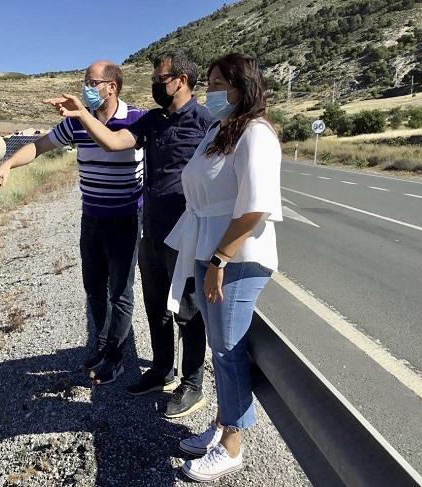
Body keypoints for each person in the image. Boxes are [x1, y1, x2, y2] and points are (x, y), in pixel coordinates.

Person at [45, 50, 214, 418]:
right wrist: (81, 115)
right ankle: (161, 369)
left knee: (188, 311)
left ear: (180, 81)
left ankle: (192, 383)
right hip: (152, 232)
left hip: (186, 235)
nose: (155, 84)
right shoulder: (152, 121)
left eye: (160, 79)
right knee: (156, 308)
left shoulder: (206, 123)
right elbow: (113, 141)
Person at [164, 53, 282, 482]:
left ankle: (232, 445)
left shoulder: (255, 133)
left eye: (217, 83)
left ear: (240, 87)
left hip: (236, 259)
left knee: (229, 352)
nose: (210, 91)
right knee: (220, 348)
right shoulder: (218, 130)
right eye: (210, 83)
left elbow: (257, 208)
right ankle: (220, 425)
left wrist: (219, 259)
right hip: (209, 252)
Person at [0, 60, 145, 385]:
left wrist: (82, 115)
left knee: (119, 291)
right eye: (84, 83)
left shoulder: (137, 118)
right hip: (91, 217)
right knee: (94, 289)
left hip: (126, 218)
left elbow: (112, 142)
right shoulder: (76, 124)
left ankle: (116, 358)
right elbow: (40, 145)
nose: (85, 89)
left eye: (92, 83)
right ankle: (102, 346)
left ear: (112, 87)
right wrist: (8, 163)